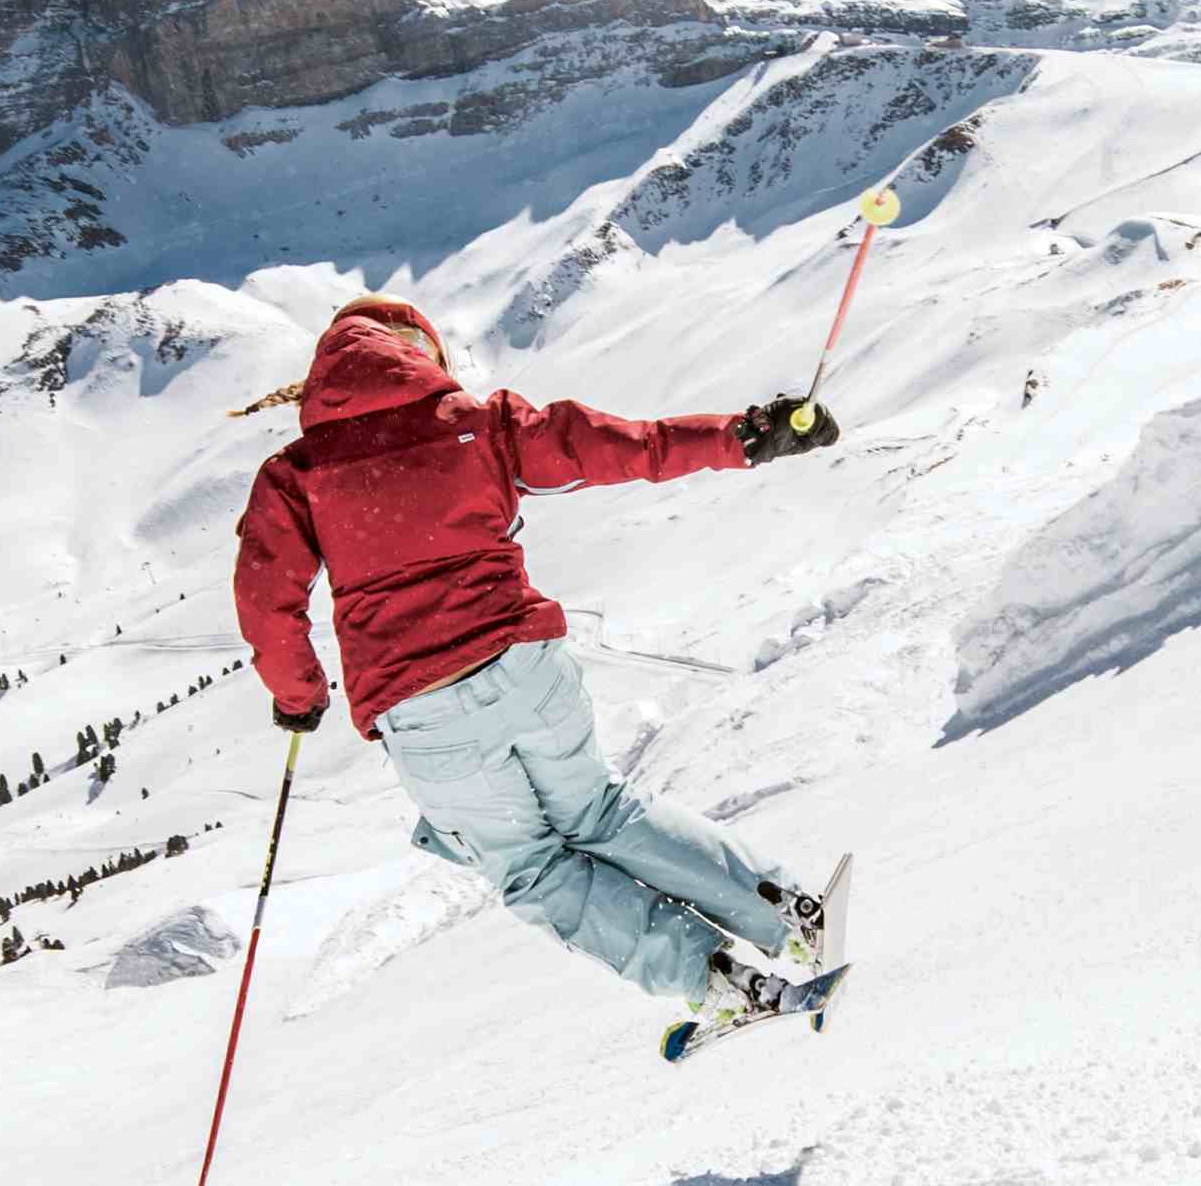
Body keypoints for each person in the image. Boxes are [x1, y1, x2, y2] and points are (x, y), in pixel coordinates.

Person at [231, 294, 843, 1026]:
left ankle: (718, 981)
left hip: (424, 714)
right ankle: (793, 912)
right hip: (525, 668)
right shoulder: (477, 425)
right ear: (416, 355)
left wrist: (298, 693)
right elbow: (623, 446)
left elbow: (267, 595)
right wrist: (741, 435)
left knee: (534, 869)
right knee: (604, 812)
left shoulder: (297, 472)